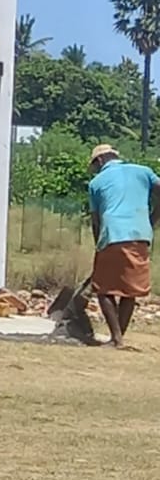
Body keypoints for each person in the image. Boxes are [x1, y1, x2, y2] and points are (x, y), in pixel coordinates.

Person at [87, 144, 160, 348]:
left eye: (94, 165)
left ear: (100, 161)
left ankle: (116, 338)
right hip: (140, 234)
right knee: (130, 289)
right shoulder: (143, 171)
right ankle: (118, 338)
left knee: (103, 289)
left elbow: (96, 221)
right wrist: (151, 219)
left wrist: (98, 246)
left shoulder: (96, 182)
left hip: (113, 234)